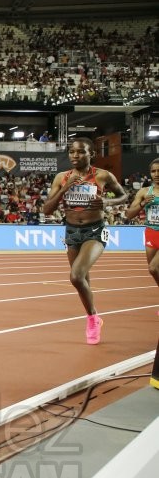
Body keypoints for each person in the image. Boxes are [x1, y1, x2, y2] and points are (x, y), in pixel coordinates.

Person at [42, 138, 128, 344]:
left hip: (95, 231)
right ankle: (93, 317)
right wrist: (64, 189)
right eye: (71, 152)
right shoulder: (61, 177)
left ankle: (92, 319)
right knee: (83, 282)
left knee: (76, 276)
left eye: (80, 152)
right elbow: (47, 210)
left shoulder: (103, 175)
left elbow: (123, 196)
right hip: (72, 231)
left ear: (91, 154)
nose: (74, 156)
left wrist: (107, 201)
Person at [124, 158, 159, 286]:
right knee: (154, 271)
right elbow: (129, 215)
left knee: (153, 268)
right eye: (153, 171)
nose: (156, 174)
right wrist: (143, 203)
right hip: (151, 233)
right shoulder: (144, 192)